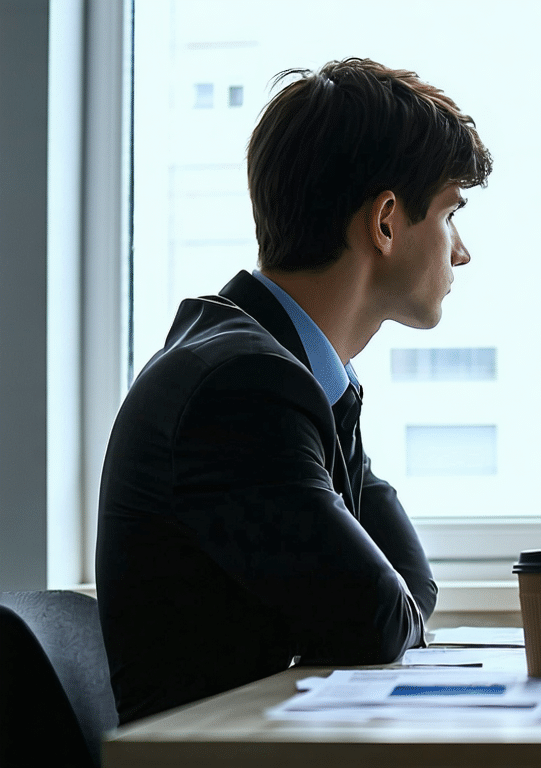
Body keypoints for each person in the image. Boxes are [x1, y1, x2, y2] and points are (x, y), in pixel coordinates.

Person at [95, 58, 492, 724]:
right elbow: (379, 620)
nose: (461, 251)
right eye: (451, 213)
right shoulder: (242, 386)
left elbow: (410, 590)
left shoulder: (287, 368)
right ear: (386, 222)